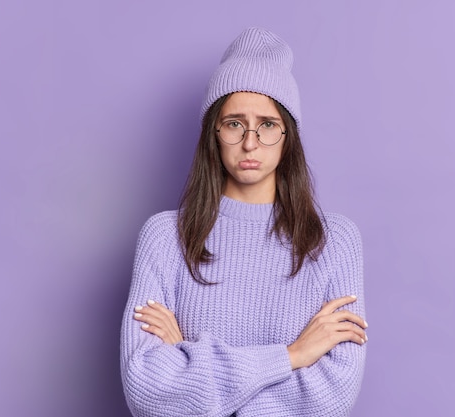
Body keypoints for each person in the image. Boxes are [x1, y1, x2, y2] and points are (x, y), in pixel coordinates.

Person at [120, 27, 368, 417]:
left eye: (267, 124)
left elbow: (331, 397)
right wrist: (292, 356)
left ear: (288, 137)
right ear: (213, 134)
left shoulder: (333, 241)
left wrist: (189, 364)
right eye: (235, 123)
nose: (250, 142)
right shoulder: (165, 238)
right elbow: (149, 393)